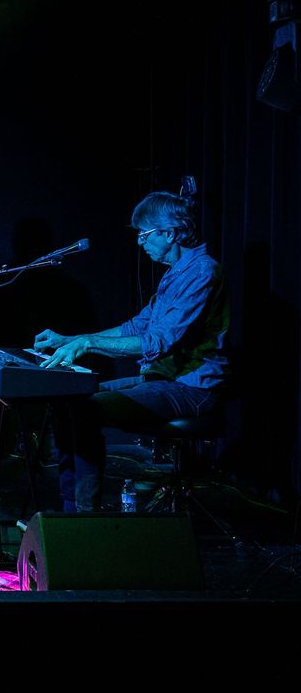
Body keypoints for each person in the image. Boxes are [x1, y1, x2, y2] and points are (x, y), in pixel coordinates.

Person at [31, 190, 231, 511]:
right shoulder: (177, 273)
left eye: (144, 234)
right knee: (67, 399)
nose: (140, 242)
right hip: (163, 380)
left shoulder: (201, 272)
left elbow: (157, 342)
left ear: (169, 233)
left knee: (85, 411)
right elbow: (136, 327)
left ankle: (84, 517)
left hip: (192, 388)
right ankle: (69, 508)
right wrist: (72, 339)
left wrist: (88, 343)